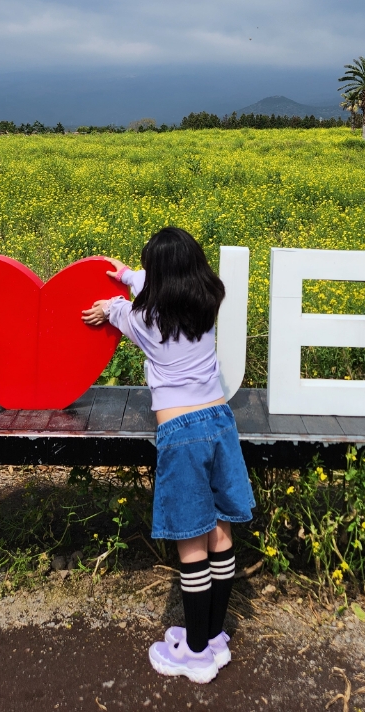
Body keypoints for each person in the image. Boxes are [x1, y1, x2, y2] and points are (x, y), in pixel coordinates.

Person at [82, 226, 254, 685]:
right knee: (220, 533)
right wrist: (127, 275)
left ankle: (194, 654)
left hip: (181, 434)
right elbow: (152, 289)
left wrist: (108, 302)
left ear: (159, 279)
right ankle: (214, 638)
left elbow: (122, 313)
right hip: (220, 423)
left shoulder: (145, 321)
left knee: (190, 541)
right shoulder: (206, 304)